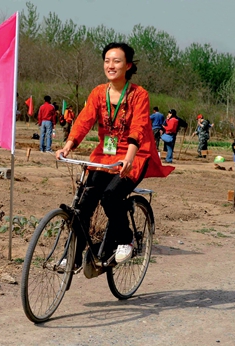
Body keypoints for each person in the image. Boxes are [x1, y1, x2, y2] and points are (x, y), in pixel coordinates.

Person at [56, 42, 173, 273]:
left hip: (136, 154)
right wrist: (68, 146)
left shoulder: (139, 95)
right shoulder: (98, 93)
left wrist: (129, 158)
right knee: (83, 205)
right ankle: (74, 256)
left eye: (117, 61)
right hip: (105, 154)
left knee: (111, 197)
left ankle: (126, 238)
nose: (111, 65)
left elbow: (139, 126)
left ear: (128, 65)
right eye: (107, 61)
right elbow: (84, 120)